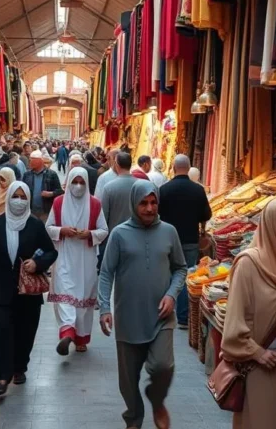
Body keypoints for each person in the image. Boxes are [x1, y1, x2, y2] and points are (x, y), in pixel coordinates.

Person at [98, 181, 187, 429]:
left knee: (163, 365)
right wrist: (105, 308)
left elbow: (180, 268)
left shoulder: (169, 231)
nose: (149, 208)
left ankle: (157, 401)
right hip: (128, 317)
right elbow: (106, 273)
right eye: (143, 203)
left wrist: (171, 294)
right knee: (128, 380)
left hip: (161, 316)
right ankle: (133, 418)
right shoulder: (119, 234)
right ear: (134, 204)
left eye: (153, 202)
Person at [221, 199, 276, 429]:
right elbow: (233, 325)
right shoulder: (249, 264)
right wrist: (256, 352)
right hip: (262, 368)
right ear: (271, 225)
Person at [0, 183, 58, 396]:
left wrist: (37, 263)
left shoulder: (35, 225)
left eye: (22, 197)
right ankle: (2, 375)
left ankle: (19, 367)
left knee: (25, 332)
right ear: (8, 198)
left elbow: (50, 252)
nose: (18, 201)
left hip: (27, 293)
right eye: (15, 196)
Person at [46, 168, 109, 356]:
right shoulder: (58, 203)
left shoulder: (95, 204)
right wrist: (62, 230)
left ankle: (80, 338)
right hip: (64, 256)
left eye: (82, 182)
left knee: (83, 298)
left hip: (86, 258)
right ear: (69, 182)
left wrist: (88, 234)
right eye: (75, 182)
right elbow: (48, 227)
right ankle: (68, 332)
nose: (78, 186)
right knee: (65, 295)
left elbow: (104, 230)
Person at [158, 154, 213, 328]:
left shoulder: (164, 189)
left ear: (174, 168)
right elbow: (206, 215)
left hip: (167, 239)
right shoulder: (198, 190)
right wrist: (202, 231)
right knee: (186, 273)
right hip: (190, 239)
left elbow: (156, 214)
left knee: (168, 273)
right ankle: (183, 316)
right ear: (189, 169)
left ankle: (165, 308)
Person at [97, 152, 137, 270]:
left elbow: (103, 215)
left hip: (113, 237)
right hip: (135, 237)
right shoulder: (141, 185)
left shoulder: (109, 187)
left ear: (116, 164)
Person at [22, 150, 63, 222]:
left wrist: (51, 193)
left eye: (32, 160)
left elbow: (60, 191)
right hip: (30, 211)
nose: (30, 162)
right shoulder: (27, 175)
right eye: (30, 159)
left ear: (40, 161)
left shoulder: (52, 174)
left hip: (45, 212)